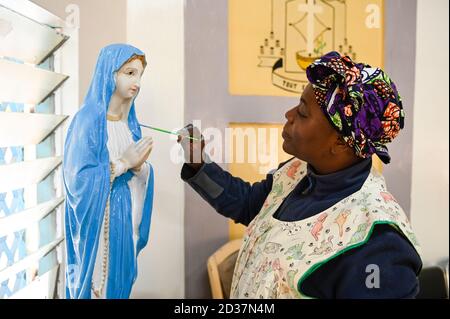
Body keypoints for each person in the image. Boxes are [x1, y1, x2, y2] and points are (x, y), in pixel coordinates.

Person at [178, 51, 422, 298]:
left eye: (303, 113)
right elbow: (250, 205)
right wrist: (199, 165)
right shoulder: (296, 172)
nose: (289, 115)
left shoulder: (378, 244)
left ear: (340, 143)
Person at [63, 44, 154, 299]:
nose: (136, 81)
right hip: (98, 219)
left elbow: (137, 174)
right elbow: (77, 180)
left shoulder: (129, 125)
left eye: (139, 75)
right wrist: (122, 164)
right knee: (98, 285)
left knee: (118, 282)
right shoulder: (88, 121)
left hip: (122, 215)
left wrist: (140, 168)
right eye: (129, 72)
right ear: (108, 73)